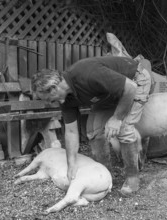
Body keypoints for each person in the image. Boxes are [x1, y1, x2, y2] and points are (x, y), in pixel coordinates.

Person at [32, 56, 152, 196]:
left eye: (48, 99)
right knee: (93, 130)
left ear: (53, 88)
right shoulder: (66, 100)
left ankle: (133, 179)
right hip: (110, 93)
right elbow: (71, 131)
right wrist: (71, 164)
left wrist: (116, 118)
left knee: (124, 129)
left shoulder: (87, 74)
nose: (49, 103)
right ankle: (105, 175)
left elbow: (130, 88)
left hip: (136, 80)